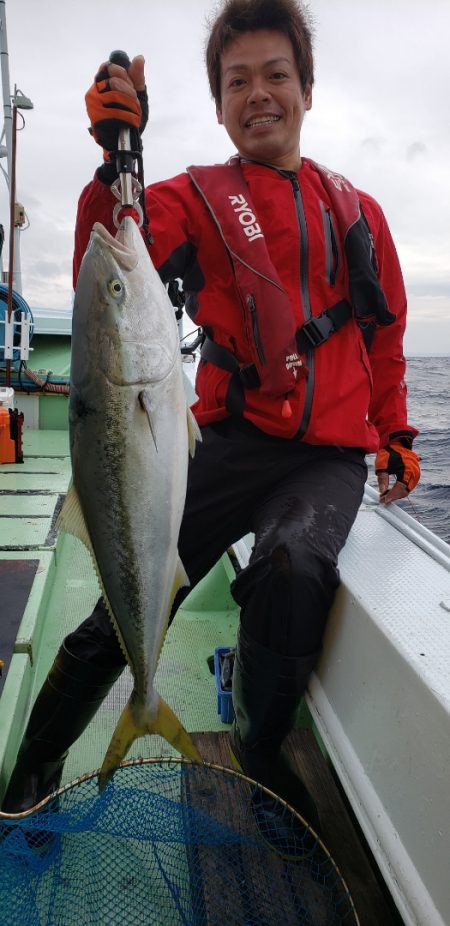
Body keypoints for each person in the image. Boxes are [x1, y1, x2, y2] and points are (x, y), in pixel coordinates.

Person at [2, 0, 420, 840]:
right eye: (238, 81)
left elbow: (385, 339)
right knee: (123, 602)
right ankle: (32, 773)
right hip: (218, 444)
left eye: (275, 75)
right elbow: (108, 255)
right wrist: (115, 158)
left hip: (326, 459)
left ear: (307, 88)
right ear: (219, 101)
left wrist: (398, 433)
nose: (258, 94)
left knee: (295, 570)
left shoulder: (361, 212)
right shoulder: (194, 198)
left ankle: (259, 749)